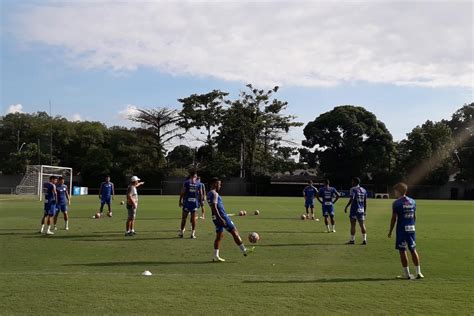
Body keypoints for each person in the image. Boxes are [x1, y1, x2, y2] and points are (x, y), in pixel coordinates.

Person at [207, 177, 252, 262]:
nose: (220, 186)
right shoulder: (215, 194)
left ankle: (215, 255)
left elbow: (215, 208)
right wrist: (221, 218)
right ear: (215, 184)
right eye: (219, 184)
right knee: (234, 232)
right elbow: (214, 207)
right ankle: (244, 250)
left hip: (215, 218)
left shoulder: (209, 194)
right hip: (222, 217)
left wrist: (219, 217)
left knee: (219, 236)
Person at [388, 183, 424, 280]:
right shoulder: (412, 201)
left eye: (395, 191)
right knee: (413, 249)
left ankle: (407, 274)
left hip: (401, 230)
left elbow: (393, 219)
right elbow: (414, 216)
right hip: (411, 228)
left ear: (398, 191)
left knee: (402, 250)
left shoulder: (396, 203)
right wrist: (412, 225)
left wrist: (390, 231)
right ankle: (419, 272)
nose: (394, 193)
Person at [344, 177, 368, 245]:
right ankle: (364, 240)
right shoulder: (364, 190)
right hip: (361, 210)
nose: (351, 183)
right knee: (362, 225)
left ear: (354, 182)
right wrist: (365, 211)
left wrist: (346, 206)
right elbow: (365, 201)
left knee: (353, 225)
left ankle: (352, 240)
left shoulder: (353, 189)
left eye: (352, 181)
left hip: (354, 209)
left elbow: (352, 198)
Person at [178, 171, 200, 238]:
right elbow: (201, 193)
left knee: (184, 218)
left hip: (187, 203)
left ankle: (181, 233)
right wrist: (200, 202)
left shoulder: (186, 182)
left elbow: (182, 192)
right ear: (195, 176)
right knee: (193, 219)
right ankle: (192, 234)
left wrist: (180, 200)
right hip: (194, 203)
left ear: (190, 176)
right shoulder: (198, 183)